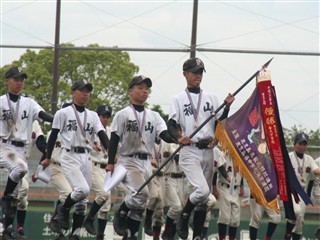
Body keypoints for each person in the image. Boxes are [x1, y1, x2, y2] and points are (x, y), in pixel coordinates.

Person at [167, 57, 234, 240]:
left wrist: (227, 107)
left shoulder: (211, 97)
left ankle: (196, 235)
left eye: (200, 72)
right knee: (203, 191)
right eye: (194, 72)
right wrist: (179, 138)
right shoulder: (178, 99)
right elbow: (171, 124)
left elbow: (220, 120)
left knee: (204, 201)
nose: (198, 75)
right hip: (190, 150)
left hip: (208, 150)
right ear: (184, 74)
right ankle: (184, 215)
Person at [105, 75, 175, 240]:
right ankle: (121, 210)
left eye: (147, 88)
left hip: (146, 162)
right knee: (141, 194)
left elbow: (163, 134)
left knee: (142, 202)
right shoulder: (123, 114)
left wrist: (177, 139)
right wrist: (110, 163)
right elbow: (114, 139)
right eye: (140, 87)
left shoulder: (154, 115)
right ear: (131, 91)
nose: (145, 91)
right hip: (128, 160)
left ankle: (131, 235)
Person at [41, 79, 110, 240]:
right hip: (70, 155)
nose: (85, 94)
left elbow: (102, 135)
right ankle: (63, 210)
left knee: (82, 202)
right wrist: (47, 157)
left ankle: (75, 234)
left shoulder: (92, 115)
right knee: (83, 190)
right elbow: (52, 138)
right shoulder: (63, 113)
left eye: (87, 91)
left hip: (86, 157)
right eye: (81, 90)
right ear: (73, 92)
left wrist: (113, 155)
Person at [0, 66, 53, 239]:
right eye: (16, 79)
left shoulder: (29, 103)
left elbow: (43, 115)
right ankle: (5, 197)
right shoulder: (1, 101)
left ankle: (6, 229)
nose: (19, 83)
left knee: (18, 193)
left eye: (22, 79)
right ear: (7, 80)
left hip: (20, 149)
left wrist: (59, 118)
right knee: (21, 168)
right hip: (3, 145)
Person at [83, 104, 113, 240]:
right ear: (97, 116)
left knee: (106, 205)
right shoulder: (91, 130)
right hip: (93, 166)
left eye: (107, 117)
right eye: (103, 116)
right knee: (103, 194)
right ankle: (88, 219)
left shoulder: (111, 132)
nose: (105, 119)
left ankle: (100, 235)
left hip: (107, 169)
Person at [284, 133, 320, 240]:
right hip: (291, 190)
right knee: (297, 212)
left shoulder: (309, 158)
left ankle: (290, 235)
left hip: (302, 192)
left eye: (304, 144)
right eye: (300, 143)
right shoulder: (289, 157)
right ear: (294, 144)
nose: (302, 146)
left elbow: (316, 170)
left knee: (300, 221)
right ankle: (287, 234)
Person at [212, 147, 244, 240]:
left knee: (235, 219)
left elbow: (242, 173)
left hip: (236, 188)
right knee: (225, 217)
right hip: (224, 186)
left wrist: (241, 186)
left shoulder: (240, 156)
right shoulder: (222, 154)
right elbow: (215, 171)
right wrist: (214, 188)